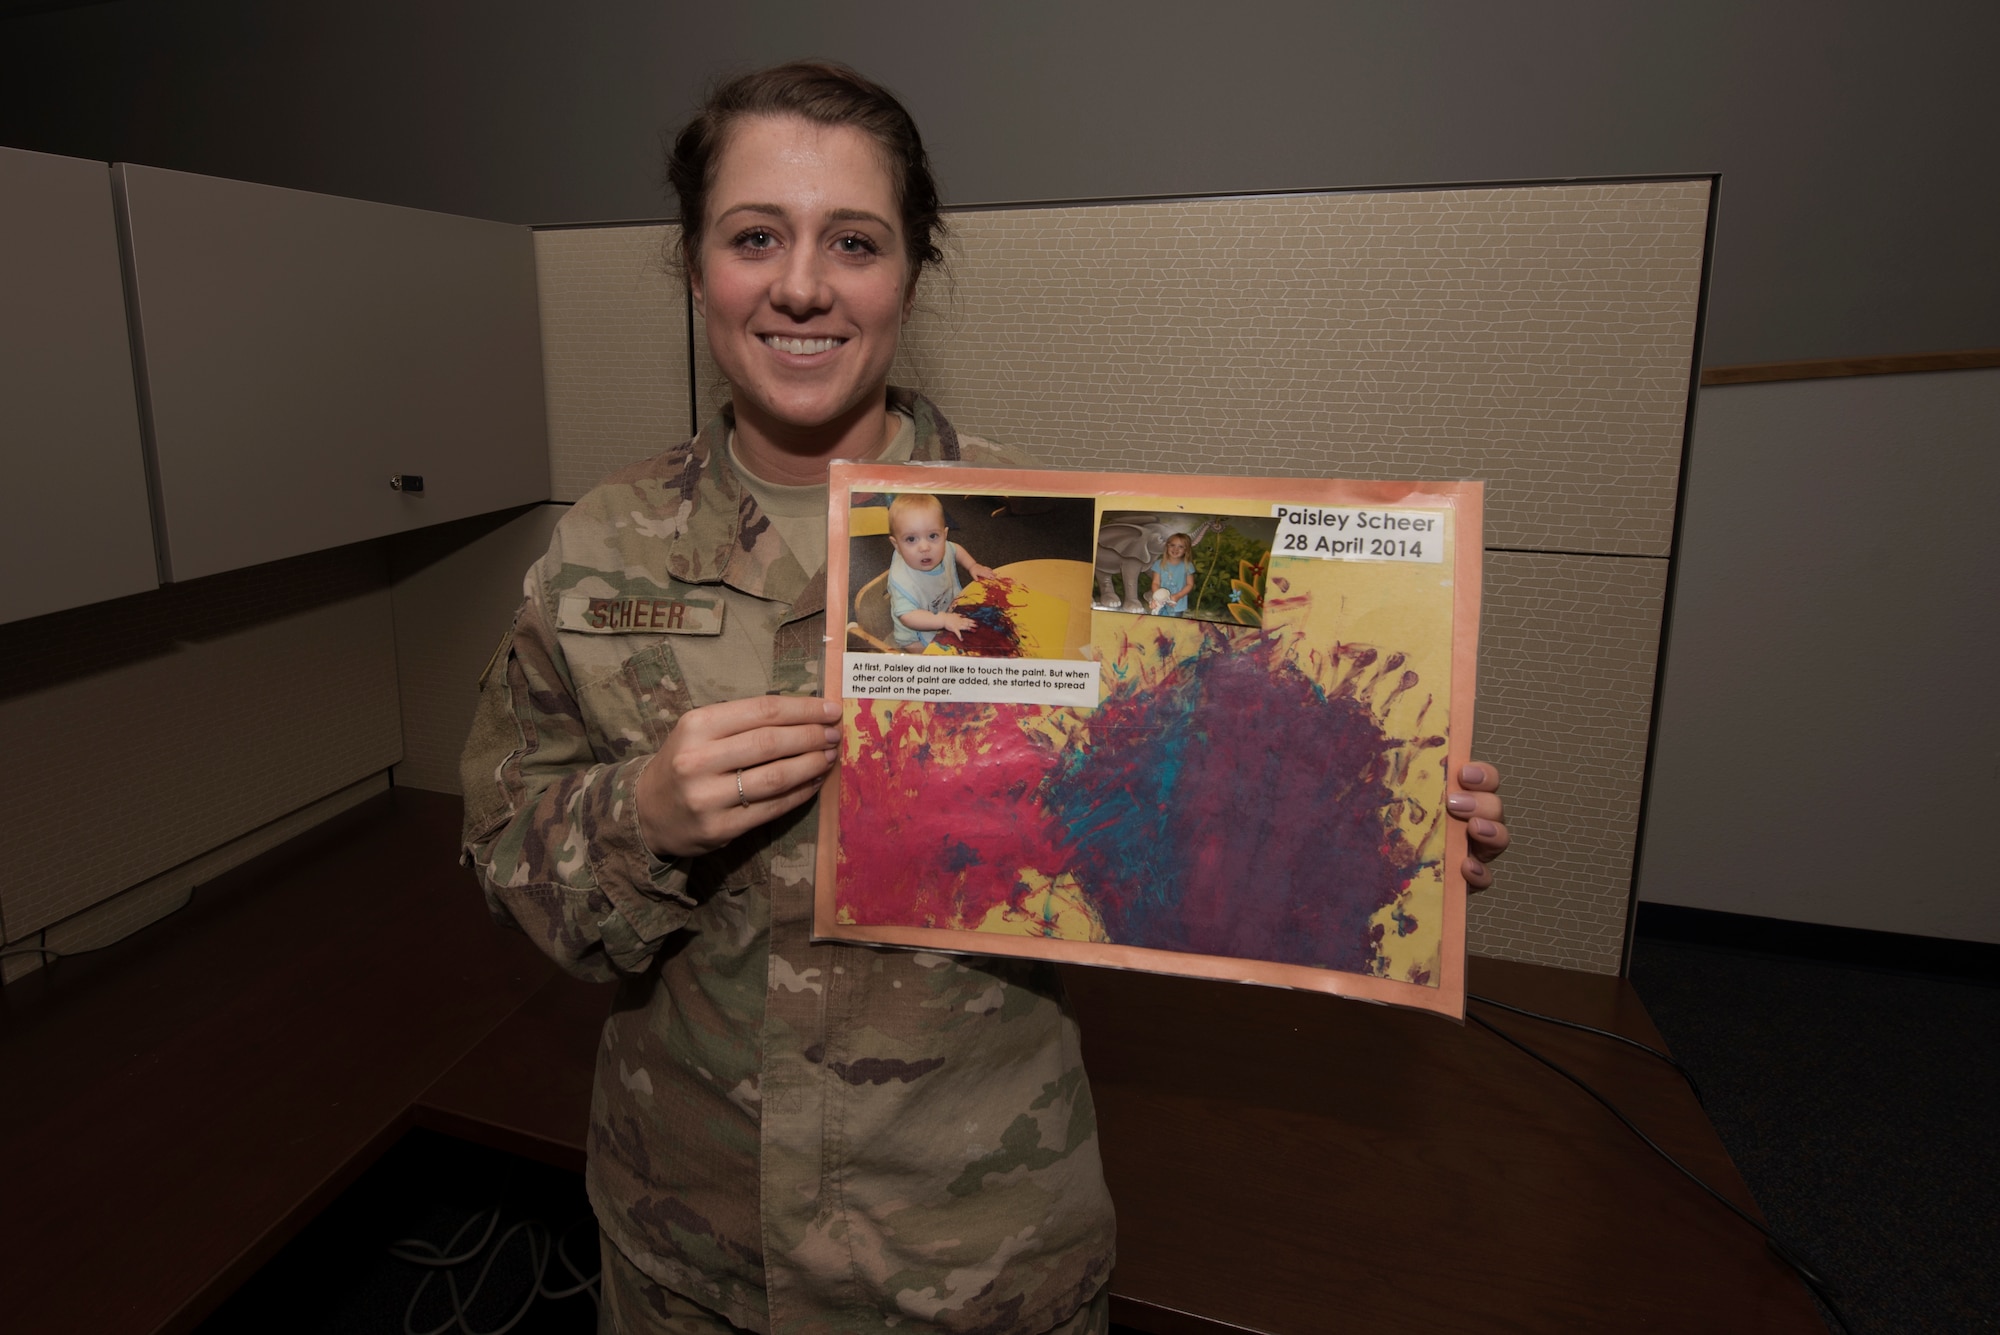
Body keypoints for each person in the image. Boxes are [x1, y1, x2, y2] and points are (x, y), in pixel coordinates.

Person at [460, 60, 1512, 1335]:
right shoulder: (599, 547)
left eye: (854, 241)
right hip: (692, 1249)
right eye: (754, 238)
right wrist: (641, 815)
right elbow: (514, 873)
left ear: (909, 273)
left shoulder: (1066, 528)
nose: (801, 284)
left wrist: (1395, 808)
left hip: (978, 1253)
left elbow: (1260, 703)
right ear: (695, 268)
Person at [885, 492, 996, 647]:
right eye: (911, 539)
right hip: (914, 633)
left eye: (932, 536)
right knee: (932, 659)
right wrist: (943, 620)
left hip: (944, 611)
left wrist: (973, 565)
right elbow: (907, 616)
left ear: (944, 535)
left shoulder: (943, 549)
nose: (925, 547)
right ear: (896, 545)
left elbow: (955, 550)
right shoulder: (903, 580)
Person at [1146, 531, 1195, 617]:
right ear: (1167, 546)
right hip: (1160, 604)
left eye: (1181, 547)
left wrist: (1178, 596)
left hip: (1177, 605)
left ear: (1186, 550)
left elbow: (1190, 585)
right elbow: (1155, 583)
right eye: (1172, 545)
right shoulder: (1158, 564)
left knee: (1173, 627)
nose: (1175, 549)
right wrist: (1156, 597)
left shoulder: (1188, 565)